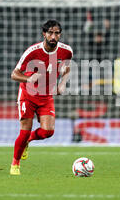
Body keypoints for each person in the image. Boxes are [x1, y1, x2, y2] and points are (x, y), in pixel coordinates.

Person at [10, 20, 73, 175]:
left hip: (46, 96)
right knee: (24, 131)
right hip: (28, 95)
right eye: (50, 33)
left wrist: (62, 83)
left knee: (48, 132)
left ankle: (27, 142)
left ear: (60, 35)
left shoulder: (67, 51)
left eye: (56, 33)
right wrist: (28, 79)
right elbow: (14, 74)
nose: (53, 36)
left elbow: (66, 68)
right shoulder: (32, 51)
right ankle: (15, 165)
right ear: (44, 34)